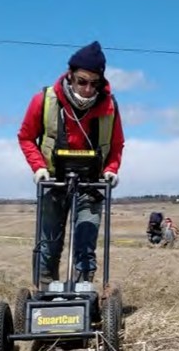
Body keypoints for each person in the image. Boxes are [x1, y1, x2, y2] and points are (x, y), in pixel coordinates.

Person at [17, 41, 125, 288]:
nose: (87, 89)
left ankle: (82, 294)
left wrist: (111, 170)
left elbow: (117, 144)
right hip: (53, 183)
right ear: (70, 76)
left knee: (85, 242)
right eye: (81, 81)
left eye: (94, 83)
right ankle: (45, 294)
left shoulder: (109, 106)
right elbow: (25, 137)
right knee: (49, 241)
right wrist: (38, 167)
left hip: (91, 184)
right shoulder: (44, 101)